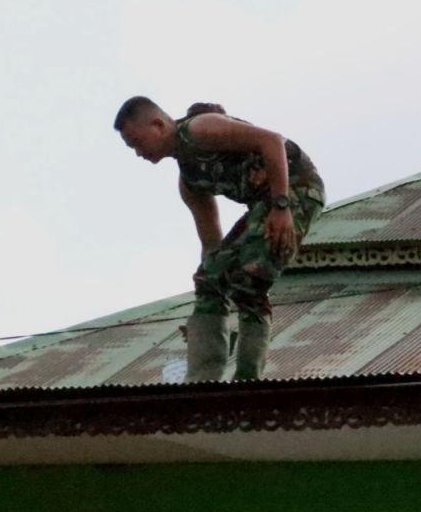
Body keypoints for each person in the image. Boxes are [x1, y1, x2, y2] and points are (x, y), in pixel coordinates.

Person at [114, 97, 325, 382]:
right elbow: (212, 245)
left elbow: (272, 141)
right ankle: (203, 378)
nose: (138, 152)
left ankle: (247, 380)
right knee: (209, 277)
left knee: (250, 277)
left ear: (158, 124)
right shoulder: (189, 182)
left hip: (296, 191)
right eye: (132, 148)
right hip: (263, 206)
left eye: (137, 142)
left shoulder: (200, 129)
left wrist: (281, 207)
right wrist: (206, 319)